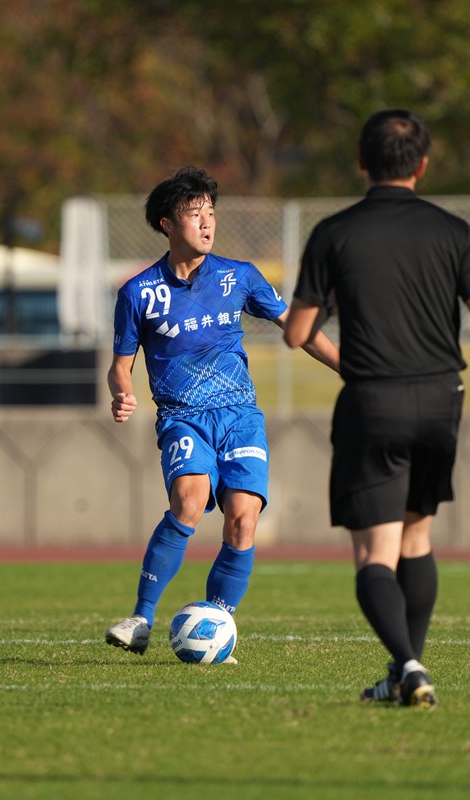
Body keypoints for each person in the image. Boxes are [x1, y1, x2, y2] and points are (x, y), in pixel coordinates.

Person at [283, 110, 470, 708]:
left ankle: (410, 665)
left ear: (362, 162)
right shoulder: (455, 232)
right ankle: (402, 673)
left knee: (374, 554)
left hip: (373, 401)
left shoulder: (334, 233)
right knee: (417, 538)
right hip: (442, 399)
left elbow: (297, 333)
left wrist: (333, 298)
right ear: (423, 165)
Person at [104, 166, 340, 661]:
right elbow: (121, 366)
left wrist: (350, 369)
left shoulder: (239, 276)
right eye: (195, 214)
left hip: (240, 416)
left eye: (211, 213)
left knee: (243, 520)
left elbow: (295, 328)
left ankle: (216, 624)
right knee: (189, 501)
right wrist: (122, 393)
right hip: (183, 416)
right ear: (167, 224)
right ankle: (142, 619)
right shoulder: (138, 292)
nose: (207, 223)